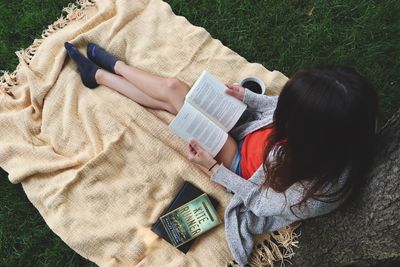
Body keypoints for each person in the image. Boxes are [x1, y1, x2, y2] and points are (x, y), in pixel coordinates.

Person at [64, 42, 378, 266]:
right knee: (173, 91)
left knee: (175, 98)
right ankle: (109, 71)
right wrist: (249, 98)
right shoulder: (341, 123)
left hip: (244, 164)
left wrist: (215, 169)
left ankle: (103, 75)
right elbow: (281, 108)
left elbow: (258, 201)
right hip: (257, 134)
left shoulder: (308, 193)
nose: (283, 111)